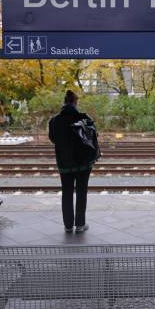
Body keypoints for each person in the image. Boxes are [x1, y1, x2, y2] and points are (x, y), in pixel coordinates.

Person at [48, 90, 96, 233]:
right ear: (75, 102)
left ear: (64, 102)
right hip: (83, 163)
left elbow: (53, 139)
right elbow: (93, 137)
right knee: (81, 192)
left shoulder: (54, 121)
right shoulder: (84, 118)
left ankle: (68, 225)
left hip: (64, 163)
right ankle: (80, 225)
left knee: (67, 192)